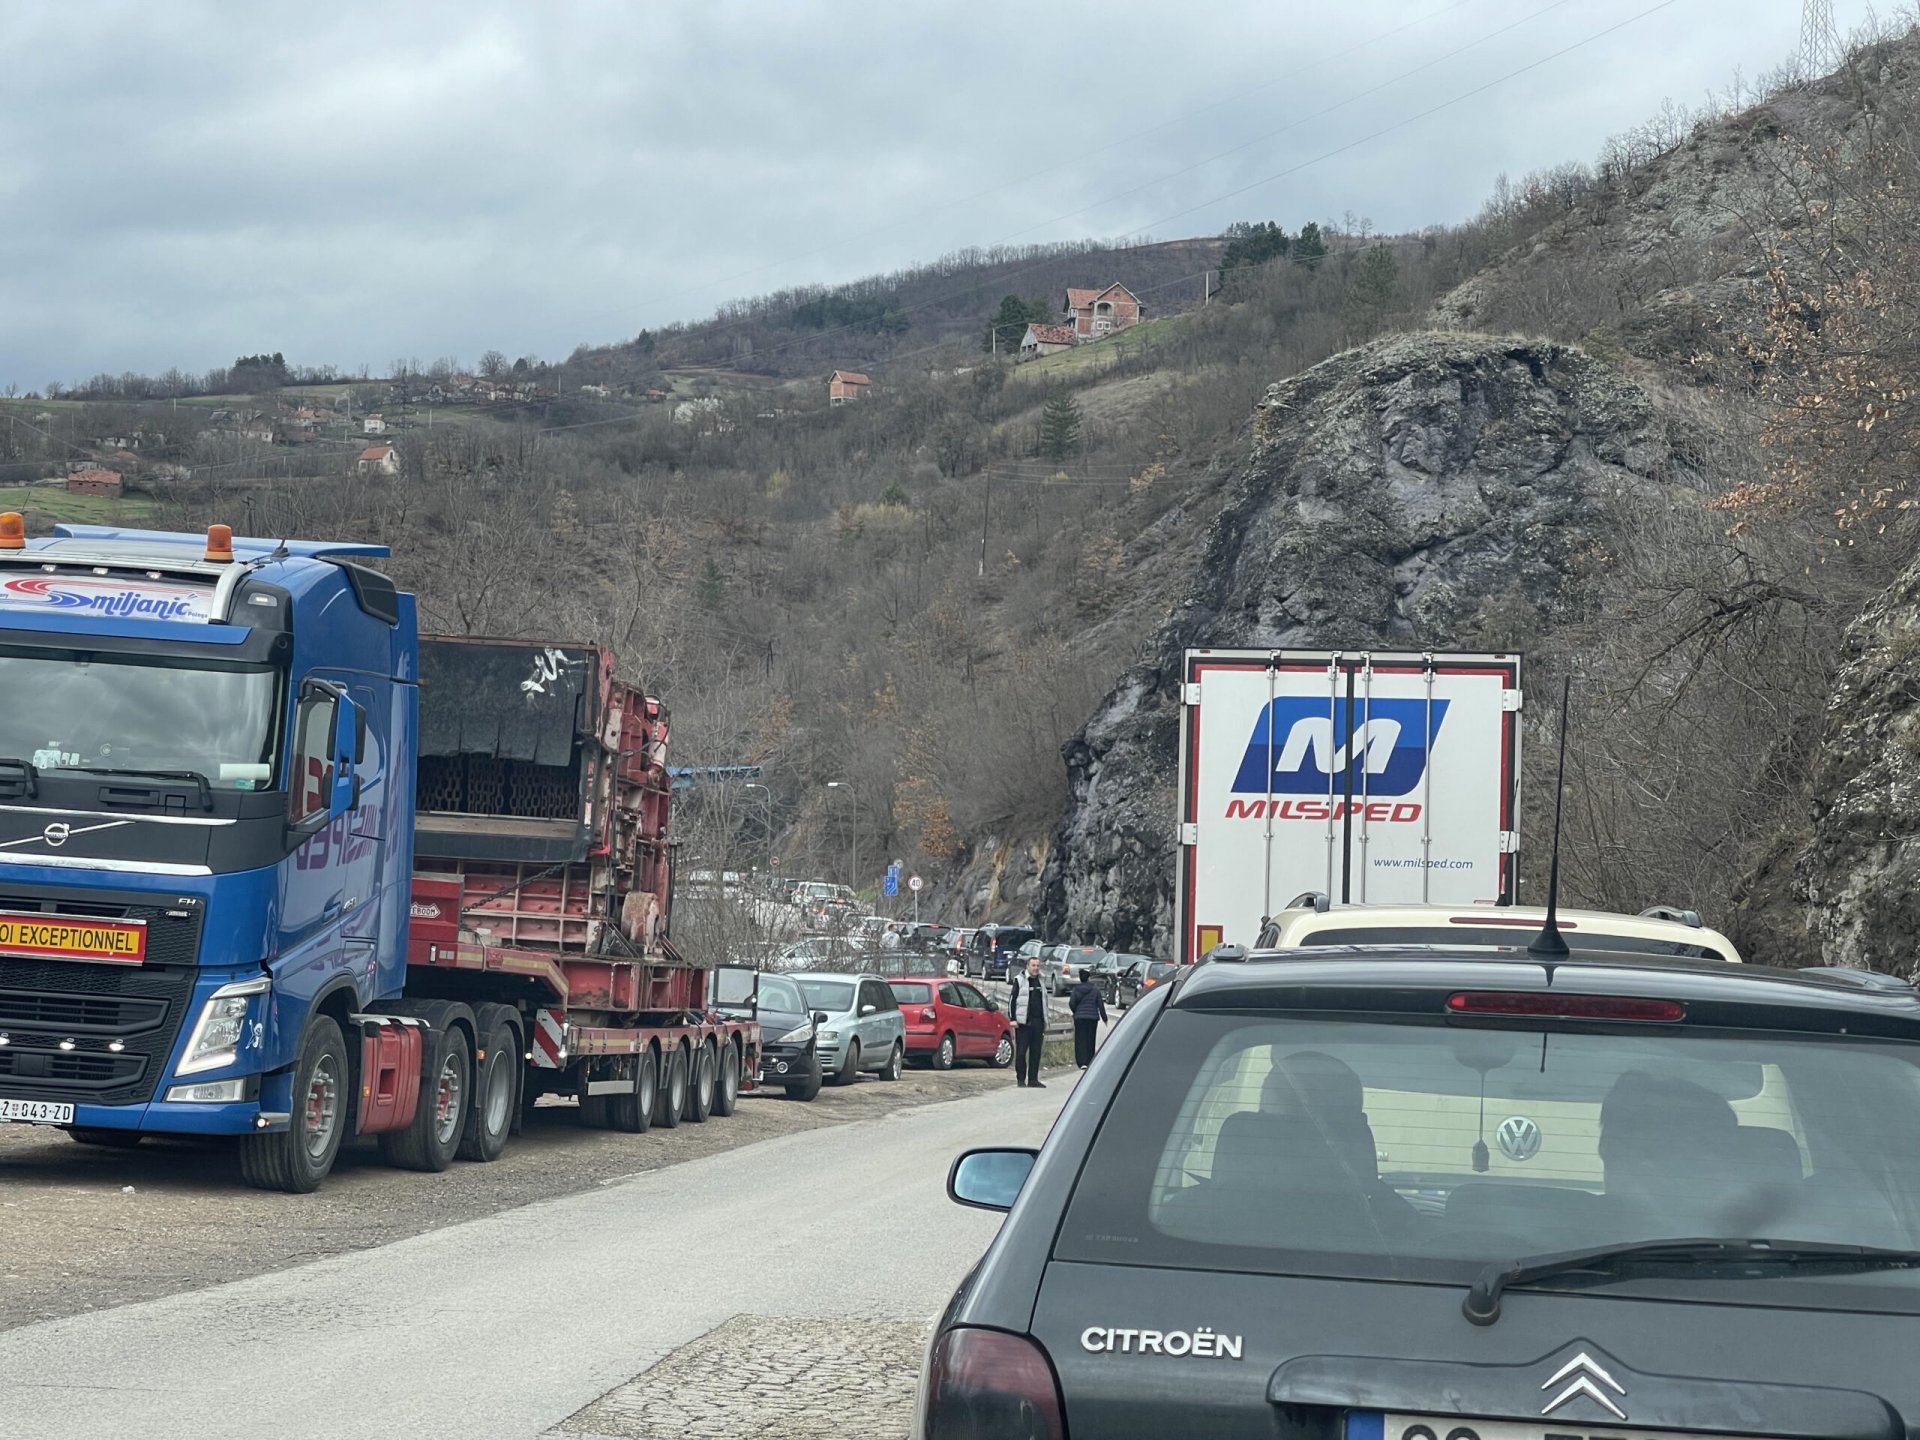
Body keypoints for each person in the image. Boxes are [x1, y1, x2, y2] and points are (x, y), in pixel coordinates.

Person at [1008, 954, 1049, 1088]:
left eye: (1038, 966)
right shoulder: (1019, 980)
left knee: (1036, 1052)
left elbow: (1045, 1002)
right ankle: (1021, 1079)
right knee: (1021, 1053)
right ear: (1027, 966)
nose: (1036, 968)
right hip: (1023, 1023)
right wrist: (1012, 1019)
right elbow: (1012, 1001)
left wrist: (1045, 1020)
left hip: (1038, 1022)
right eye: (1033, 966)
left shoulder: (1041, 981)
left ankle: (1033, 1079)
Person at [1068, 967, 1106, 1068]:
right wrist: (1104, 1018)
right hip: (1092, 1018)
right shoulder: (1095, 989)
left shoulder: (1076, 989)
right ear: (1089, 978)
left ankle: (1081, 1061)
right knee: (1090, 1039)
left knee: (1080, 1039)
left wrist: (1076, 1012)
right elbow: (1100, 1005)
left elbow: (1071, 1003)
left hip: (1079, 1018)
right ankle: (1090, 1060)